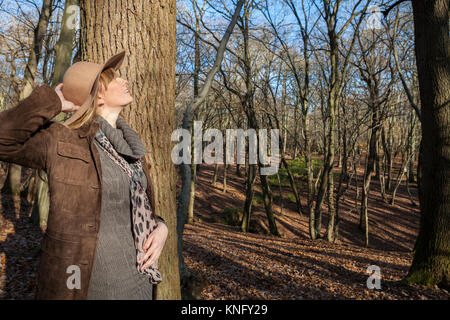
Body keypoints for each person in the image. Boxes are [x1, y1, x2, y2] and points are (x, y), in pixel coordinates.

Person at [0, 51, 168, 300]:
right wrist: (53, 102)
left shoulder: (134, 149)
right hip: (89, 284)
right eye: (114, 79)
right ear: (97, 93)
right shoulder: (62, 139)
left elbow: (134, 208)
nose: (124, 81)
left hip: (140, 280)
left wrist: (161, 227)